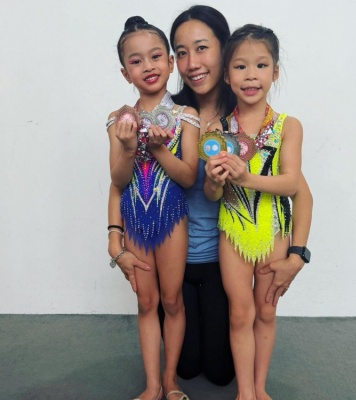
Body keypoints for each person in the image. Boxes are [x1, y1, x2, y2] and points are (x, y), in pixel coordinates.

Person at [108, 4, 313, 391]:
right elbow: (123, 179)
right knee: (186, 368)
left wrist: (297, 255)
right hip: (171, 259)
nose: (192, 63)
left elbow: (299, 192)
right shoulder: (167, 114)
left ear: (225, 49)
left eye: (202, 48)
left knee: (220, 372)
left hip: (224, 260)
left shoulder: (249, 119)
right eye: (181, 52)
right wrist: (115, 240)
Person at [203, 24, 303, 400]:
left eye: (261, 66)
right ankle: (244, 392)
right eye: (240, 67)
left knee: (266, 310)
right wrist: (214, 181)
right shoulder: (218, 130)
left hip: (274, 231)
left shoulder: (287, 127)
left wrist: (245, 177)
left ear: (274, 72)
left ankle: (260, 388)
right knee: (240, 313)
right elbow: (212, 194)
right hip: (232, 230)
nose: (251, 75)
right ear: (227, 76)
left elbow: (290, 184)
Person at [106, 15, 199, 400]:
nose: (148, 66)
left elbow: (188, 177)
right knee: (146, 302)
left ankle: (171, 380)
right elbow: (118, 180)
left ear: (171, 62)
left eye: (156, 56)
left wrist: (159, 149)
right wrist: (130, 147)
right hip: (135, 221)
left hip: (172, 219)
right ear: (125, 72)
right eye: (136, 60)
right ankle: (152, 384)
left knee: (172, 300)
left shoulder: (186, 116)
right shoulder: (119, 120)